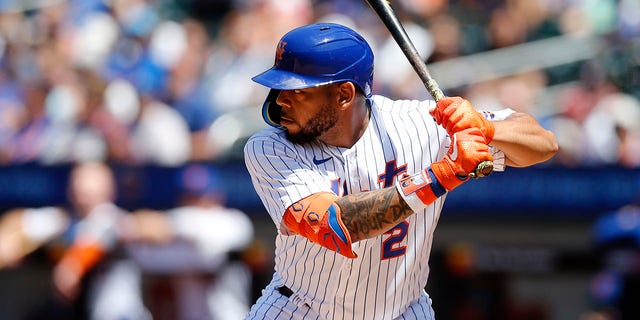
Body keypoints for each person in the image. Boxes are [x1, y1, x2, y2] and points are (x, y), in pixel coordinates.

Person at [243, 22, 558, 320]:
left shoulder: (418, 123)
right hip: (302, 309)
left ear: (344, 95)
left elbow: (543, 144)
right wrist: (444, 174)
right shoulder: (269, 147)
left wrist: (488, 129)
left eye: (298, 91)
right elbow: (338, 226)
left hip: (401, 311)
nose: (281, 100)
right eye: (280, 87)